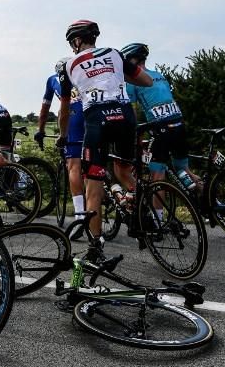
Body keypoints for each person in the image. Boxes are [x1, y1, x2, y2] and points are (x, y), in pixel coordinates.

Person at [56, 21, 153, 261]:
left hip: (97, 122)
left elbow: (64, 109)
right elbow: (146, 81)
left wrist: (63, 135)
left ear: (77, 40)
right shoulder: (115, 54)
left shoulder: (68, 65)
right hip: (125, 118)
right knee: (123, 168)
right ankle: (141, 209)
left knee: (94, 187)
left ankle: (95, 247)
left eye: (71, 42)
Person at [121, 43, 197, 189]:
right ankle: (211, 200)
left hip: (161, 128)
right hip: (179, 124)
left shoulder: (133, 81)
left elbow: (132, 112)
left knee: (157, 174)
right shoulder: (159, 76)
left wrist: (136, 139)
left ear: (133, 60)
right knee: (184, 169)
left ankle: (158, 213)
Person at [37, 69, 87, 225]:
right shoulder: (82, 73)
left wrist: (40, 130)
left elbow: (45, 109)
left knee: (73, 166)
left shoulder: (53, 79)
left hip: (74, 114)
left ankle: (80, 215)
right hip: (94, 112)